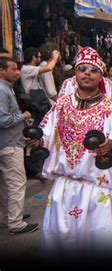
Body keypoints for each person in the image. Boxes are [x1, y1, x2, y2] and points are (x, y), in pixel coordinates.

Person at [26, 47, 112, 261]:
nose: (87, 73)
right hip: (63, 187)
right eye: (82, 69)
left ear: (101, 75)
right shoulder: (62, 104)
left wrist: (111, 146)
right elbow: (46, 133)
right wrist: (37, 141)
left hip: (96, 188)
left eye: (93, 69)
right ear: (76, 73)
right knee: (58, 246)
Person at [0, 57, 38, 235]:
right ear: (2, 71)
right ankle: (15, 222)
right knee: (16, 182)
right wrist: (23, 117)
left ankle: (10, 217)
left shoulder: (7, 89)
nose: (17, 73)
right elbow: (2, 119)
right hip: (8, 144)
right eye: (13, 69)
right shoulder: (2, 90)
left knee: (6, 183)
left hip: (9, 142)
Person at [20, 47, 60, 124]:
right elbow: (48, 68)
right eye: (38, 57)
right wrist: (54, 58)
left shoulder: (32, 68)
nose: (40, 59)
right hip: (33, 101)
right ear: (33, 57)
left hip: (37, 100)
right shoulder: (26, 69)